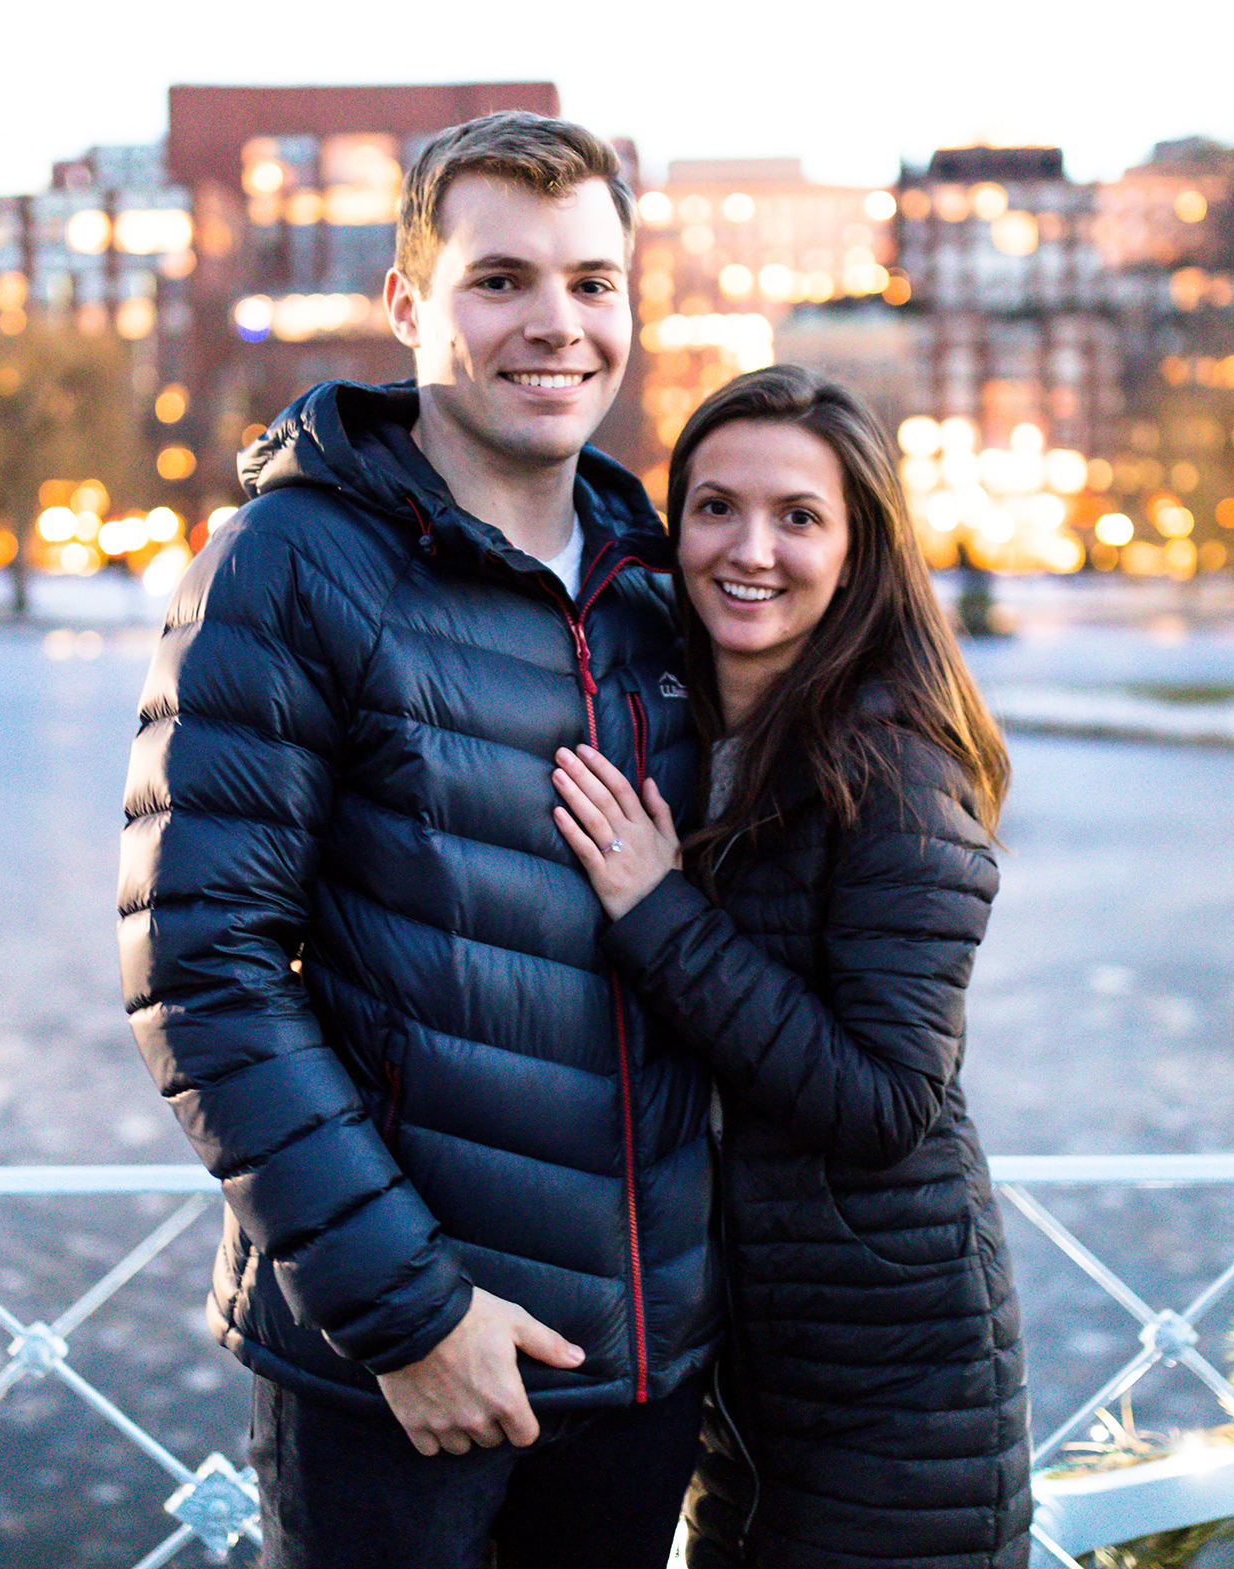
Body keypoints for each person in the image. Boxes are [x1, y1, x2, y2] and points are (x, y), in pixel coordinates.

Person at [119, 111, 717, 1569]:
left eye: (592, 282)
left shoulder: (658, 585)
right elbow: (200, 971)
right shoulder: (290, 563)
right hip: (402, 1376)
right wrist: (414, 1316)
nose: (556, 325)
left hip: (641, 1363)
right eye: (499, 280)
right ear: (408, 305)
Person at [549, 364, 1031, 1568]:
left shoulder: (895, 770)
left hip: (892, 1401)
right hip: (754, 1381)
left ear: (859, 546)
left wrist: (656, 912)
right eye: (714, 507)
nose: (747, 548)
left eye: (797, 517)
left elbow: (882, 1102)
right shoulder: (691, 734)